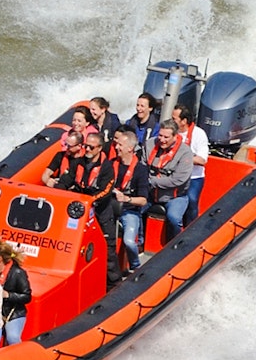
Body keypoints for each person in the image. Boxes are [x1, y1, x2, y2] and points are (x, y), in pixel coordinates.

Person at [72, 131, 120, 287]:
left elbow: (106, 191)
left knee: (108, 248)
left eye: (91, 147)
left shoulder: (107, 167)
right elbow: (66, 181)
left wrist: (90, 202)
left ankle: (113, 283)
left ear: (100, 148)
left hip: (100, 210)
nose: (87, 150)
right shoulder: (78, 162)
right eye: (86, 146)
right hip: (80, 211)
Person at [145, 119, 193, 241]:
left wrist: (152, 181)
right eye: (160, 135)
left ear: (175, 137)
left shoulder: (185, 152)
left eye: (166, 137)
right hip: (150, 193)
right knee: (133, 210)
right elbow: (142, 167)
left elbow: (177, 180)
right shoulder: (150, 144)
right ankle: (140, 241)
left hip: (175, 196)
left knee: (174, 218)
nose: (162, 140)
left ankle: (175, 243)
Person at [111, 128, 150, 272]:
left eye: (120, 145)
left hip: (129, 211)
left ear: (130, 148)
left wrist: (126, 198)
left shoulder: (140, 170)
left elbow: (143, 201)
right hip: (110, 208)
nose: (116, 147)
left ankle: (135, 267)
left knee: (128, 241)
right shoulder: (111, 164)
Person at [173, 104, 209, 227]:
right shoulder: (171, 133)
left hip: (194, 177)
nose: (171, 121)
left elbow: (202, 159)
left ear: (184, 121)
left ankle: (191, 228)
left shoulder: (199, 134)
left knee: (192, 200)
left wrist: (182, 159)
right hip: (174, 175)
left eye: (174, 119)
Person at [0, 239, 32, 345]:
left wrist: (8, 295)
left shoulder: (17, 273)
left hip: (13, 314)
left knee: (12, 337)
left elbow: (27, 296)